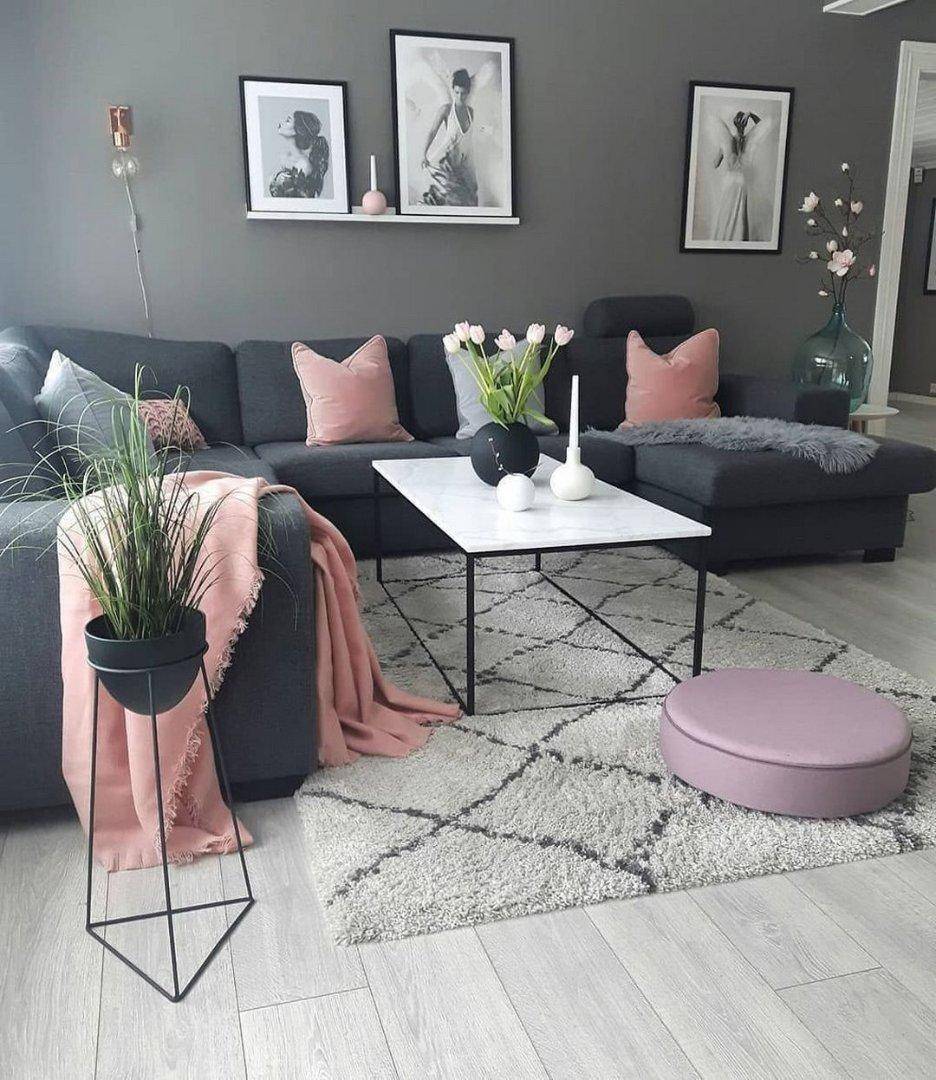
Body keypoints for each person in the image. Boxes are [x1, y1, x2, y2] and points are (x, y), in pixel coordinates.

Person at [419, 68, 479, 207]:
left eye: (463, 93)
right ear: (453, 90)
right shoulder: (446, 110)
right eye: (456, 92)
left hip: (462, 163)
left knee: (469, 198)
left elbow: (470, 142)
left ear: (468, 92)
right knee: (440, 197)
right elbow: (432, 132)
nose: (459, 97)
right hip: (443, 162)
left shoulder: (471, 112)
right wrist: (424, 154)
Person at [711, 109, 772, 242]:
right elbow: (761, 125)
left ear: (734, 123)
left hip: (729, 182)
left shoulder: (727, 140)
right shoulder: (749, 139)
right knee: (740, 214)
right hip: (742, 181)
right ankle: (739, 240)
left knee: (726, 213)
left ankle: (724, 239)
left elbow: (715, 164)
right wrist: (751, 114)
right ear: (744, 124)